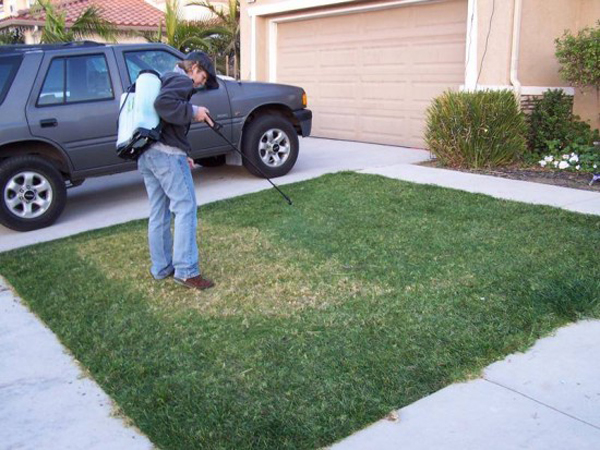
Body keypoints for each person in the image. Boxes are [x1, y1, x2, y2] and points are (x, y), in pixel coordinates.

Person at [137, 51, 217, 290]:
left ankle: (161, 268)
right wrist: (194, 111)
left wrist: (185, 154)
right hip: (166, 156)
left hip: (149, 154)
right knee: (185, 208)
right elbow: (163, 105)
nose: (202, 81)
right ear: (193, 67)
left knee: (159, 211)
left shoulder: (167, 78)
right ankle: (186, 271)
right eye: (203, 75)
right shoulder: (181, 80)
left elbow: (166, 121)